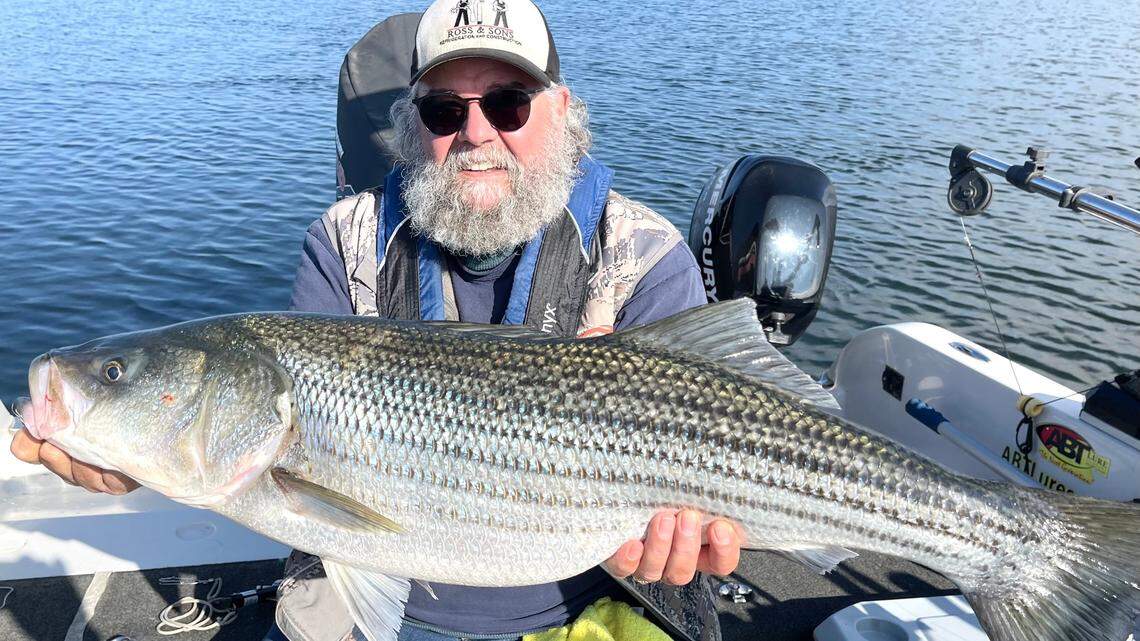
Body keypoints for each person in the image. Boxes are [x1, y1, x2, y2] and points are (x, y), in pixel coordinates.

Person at [10, 1, 743, 639]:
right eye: (444, 110)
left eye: (510, 103)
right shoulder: (344, 241)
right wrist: (126, 453)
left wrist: (678, 538)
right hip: (368, 611)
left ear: (563, 111)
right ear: (411, 123)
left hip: (590, 602)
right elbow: (235, 459)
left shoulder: (642, 252)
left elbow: (704, 492)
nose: (477, 134)